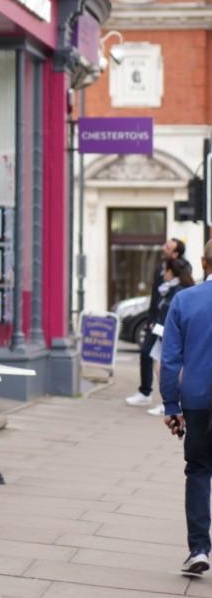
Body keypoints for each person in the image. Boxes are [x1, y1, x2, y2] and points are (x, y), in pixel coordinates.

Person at [160, 239, 212, 577]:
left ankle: (199, 549)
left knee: (198, 470)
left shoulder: (185, 300)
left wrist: (170, 404)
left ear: (205, 262)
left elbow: (169, 360)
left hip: (198, 400)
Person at [128, 237, 189, 406]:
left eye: (168, 247)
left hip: (167, 324)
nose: (164, 248)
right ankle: (146, 392)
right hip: (156, 321)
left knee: (162, 362)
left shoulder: (182, 269)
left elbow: (176, 299)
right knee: (149, 355)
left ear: (175, 253)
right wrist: (151, 317)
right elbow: (156, 297)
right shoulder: (160, 268)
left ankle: (169, 401)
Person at [146, 259, 196, 416]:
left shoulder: (177, 291)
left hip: (167, 334)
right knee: (158, 365)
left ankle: (171, 401)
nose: (163, 274)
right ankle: (168, 401)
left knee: (163, 366)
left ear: (172, 272)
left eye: (165, 270)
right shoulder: (168, 289)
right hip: (162, 332)